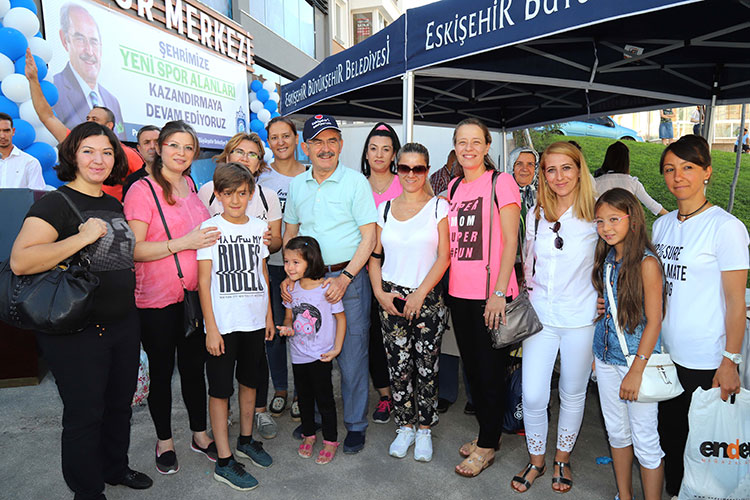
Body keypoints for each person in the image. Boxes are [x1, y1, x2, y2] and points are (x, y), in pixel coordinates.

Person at [10, 121, 152, 499]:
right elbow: (21, 261)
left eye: (107, 152)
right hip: (77, 332)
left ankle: (114, 468)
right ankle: (87, 491)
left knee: (120, 406)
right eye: (88, 151)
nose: (98, 159)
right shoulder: (55, 203)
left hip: (122, 323)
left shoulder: (113, 203)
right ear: (72, 155)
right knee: (85, 416)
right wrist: (81, 237)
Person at [651, 135, 748, 498]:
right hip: (665, 356)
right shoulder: (662, 225)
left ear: (707, 171)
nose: (678, 176)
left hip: (706, 359)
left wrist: (730, 360)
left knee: (702, 446)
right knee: (669, 438)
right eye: (669, 169)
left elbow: (736, 302)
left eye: (688, 167)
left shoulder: (726, 228)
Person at [123, 120, 218, 475]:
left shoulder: (190, 186)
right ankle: (164, 441)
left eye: (188, 147)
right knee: (162, 373)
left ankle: (199, 434)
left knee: (194, 370)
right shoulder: (141, 190)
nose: (181, 153)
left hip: (193, 297)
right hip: (157, 300)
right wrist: (184, 243)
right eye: (174, 145)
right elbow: (134, 249)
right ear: (159, 148)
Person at [282, 114, 377, 454]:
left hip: (348, 278)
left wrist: (346, 277)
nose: (326, 148)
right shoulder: (297, 185)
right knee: (310, 354)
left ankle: (354, 425)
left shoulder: (355, 182)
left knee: (351, 355)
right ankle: (320, 419)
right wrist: (290, 274)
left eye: (332, 140)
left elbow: (369, 237)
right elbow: (290, 232)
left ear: (341, 144)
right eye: (318, 142)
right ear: (305, 147)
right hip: (308, 284)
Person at [511, 141, 597, 493]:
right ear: (543, 175)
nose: (559, 176)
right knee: (533, 395)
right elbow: (527, 263)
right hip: (540, 318)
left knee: (572, 393)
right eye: (551, 169)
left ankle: (562, 458)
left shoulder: (596, 214)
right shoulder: (536, 214)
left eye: (566, 168)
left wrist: (607, 300)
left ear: (579, 170)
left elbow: (616, 263)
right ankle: (537, 460)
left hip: (581, 318)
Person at [448, 118, 521, 477]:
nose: (469, 148)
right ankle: (486, 433)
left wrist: (498, 293)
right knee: (474, 372)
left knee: (490, 372)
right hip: (458, 293)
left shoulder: (501, 182)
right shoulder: (453, 187)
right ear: (455, 147)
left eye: (476, 142)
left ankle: (488, 446)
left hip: (491, 296)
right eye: (462, 142)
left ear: (488, 146)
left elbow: (510, 242)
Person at [197, 131, 282, 439]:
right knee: (220, 387)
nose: (235, 199)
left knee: (251, 378)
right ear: (218, 194)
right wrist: (211, 326)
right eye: (228, 193)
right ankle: (223, 449)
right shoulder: (208, 221)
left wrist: (269, 317)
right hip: (223, 318)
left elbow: (263, 273)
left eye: (242, 193)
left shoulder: (261, 222)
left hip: (253, 317)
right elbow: (204, 280)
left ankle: (249, 434)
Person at [368, 142, 450, 462]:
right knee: (398, 366)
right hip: (391, 297)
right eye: (405, 168)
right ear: (397, 169)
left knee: (427, 366)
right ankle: (405, 426)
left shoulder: (439, 207)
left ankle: (425, 429)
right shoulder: (384, 209)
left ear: (427, 171)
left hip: (427, 297)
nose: (411, 174)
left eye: (418, 168)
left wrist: (420, 294)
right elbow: (375, 256)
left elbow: (444, 257)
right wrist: (380, 293)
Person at [591, 188, 665, 500]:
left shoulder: (647, 263)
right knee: (617, 434)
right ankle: (624, 495)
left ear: (632, 219)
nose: (605, 227)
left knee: (646, 441)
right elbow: (610, 311)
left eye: (613, 219)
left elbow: (655, 321)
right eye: (599, 221)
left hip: (637, 363)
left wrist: (636, 371)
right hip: (606, 358)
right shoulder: (607, 258)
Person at [25, 49, 142, 199]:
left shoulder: (128, 154)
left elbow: (145, 184)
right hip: (77, 207)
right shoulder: (76, 142)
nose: (89, 122)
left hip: (113, 210)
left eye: (95, 119)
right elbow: (47, 117)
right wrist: (33, 81)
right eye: (88, 118)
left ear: (109, 126)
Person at [277, 236, 346, 465]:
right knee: (304, 399)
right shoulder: (291, 289)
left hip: (321, 355)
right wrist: (287, 327)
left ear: (311, 261)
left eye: (296, 262)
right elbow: (289, 317)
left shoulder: (327, 288)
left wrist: (337, 348)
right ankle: (308, 435)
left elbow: (341, 318)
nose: (289, 267)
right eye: (286, 262)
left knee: (325, 400)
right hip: (298, 355)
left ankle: (330, 441)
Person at [259, 116, 307, 422]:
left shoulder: (311, 173)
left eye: (286, 136)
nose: (281, 142)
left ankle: (303, 391)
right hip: (273, 266)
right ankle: (280, 389)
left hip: (306, 270)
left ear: (296, 138)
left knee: (304, 330)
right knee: (275, 331)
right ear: (269, 142)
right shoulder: (261, 178)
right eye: (274, 137)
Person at [361, 122, 402, 424]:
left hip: (400, 269)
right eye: (373, 148)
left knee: (399, 335)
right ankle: (385, 395)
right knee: (373, 335)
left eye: (385, 149)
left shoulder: (408, 182)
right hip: (363, 269)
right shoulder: (356, 185)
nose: (379, 154)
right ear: (366, 153)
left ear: (394, 154)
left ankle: (405, 393)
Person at [430, 148, 469, 414]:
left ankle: (474, 395)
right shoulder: (442, 199)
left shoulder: (486, 195)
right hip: (445, 273)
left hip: (474, 277)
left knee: (473, 338)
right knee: (448, 336)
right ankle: (446, 392)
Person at [53, 3, 125, 140]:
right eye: (80, 39)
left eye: (94, 41)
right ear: (65, 40)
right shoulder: (55, 89)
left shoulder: (112, 101)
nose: (89, 51)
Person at [594, 141, 668, 216]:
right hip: (626, 222)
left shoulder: (596, 182)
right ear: (627, 161)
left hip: (600, 221)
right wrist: (670, 216)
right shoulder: (633, 183)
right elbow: (652, 204)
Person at [0, 112, 45, 189]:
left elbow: (36, 194)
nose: (2, 136)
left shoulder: (30, 162)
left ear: (13, 131)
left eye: (6, 131)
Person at [123, 125, 160, 199]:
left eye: (157, 142)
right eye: (147, 142)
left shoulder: (177, 176)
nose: (152, 146)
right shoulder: (131, 181)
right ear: (139, 149)